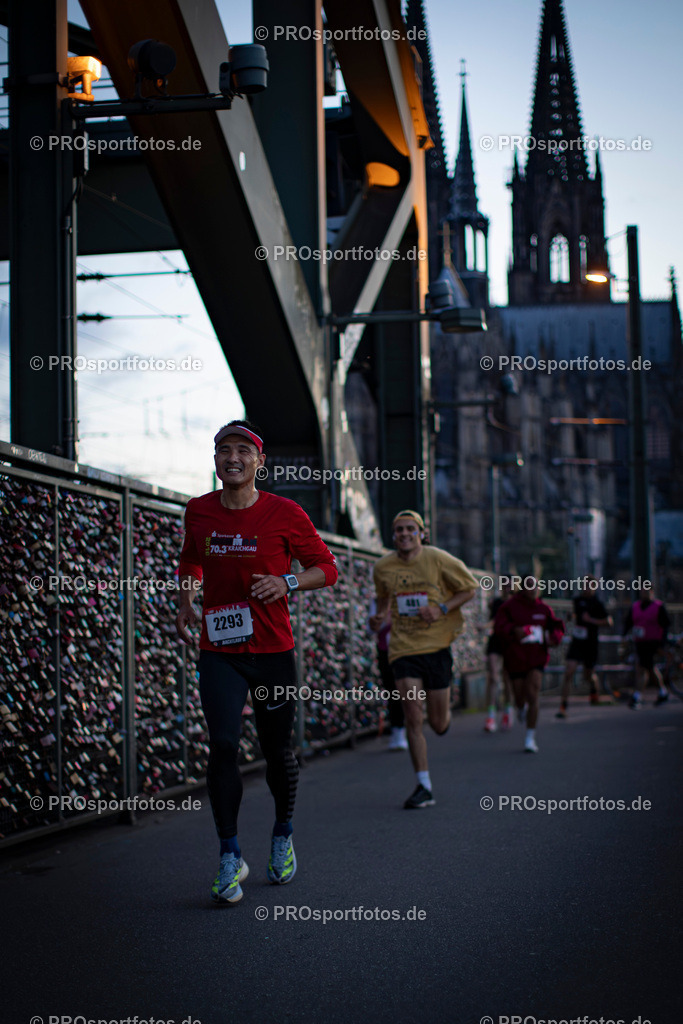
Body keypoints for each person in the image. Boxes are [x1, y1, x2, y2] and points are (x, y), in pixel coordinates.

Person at [176, 420, 338, 904]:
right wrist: (187, 599)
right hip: (220, 650)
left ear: (259, 462)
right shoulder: (198, 511)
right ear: (215, 461)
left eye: (243, 450)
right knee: (222, 744)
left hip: (272, 652)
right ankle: (230, 854)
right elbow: (190, 560)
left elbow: (326, 568)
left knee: (276, 750)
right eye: (223, 449)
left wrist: (287, 583)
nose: (233, 457)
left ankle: (282, 833)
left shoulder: (285, 513)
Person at [371, 510, 478, 808]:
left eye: (410, 529)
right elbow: (383, 597)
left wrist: (441, 609)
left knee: (440, 724)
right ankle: (423, 785)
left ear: (421, 533)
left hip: (437, 647)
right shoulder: (383, 567)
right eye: (399, 530)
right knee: (413, 717)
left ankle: (442, 711)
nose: (404, 534)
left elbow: (469, 589)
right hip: (403, 649)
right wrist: (378, 616)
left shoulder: (439, 558)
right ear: (393, 535)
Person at [494, 577, 564, 753]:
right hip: (515, 659)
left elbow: (557, 627)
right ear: (522, 588)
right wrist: (513, 630)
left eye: (535, 586)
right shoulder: (509, 607)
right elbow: (499, 627)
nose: (533, 589)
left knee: (533, 694)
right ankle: (520, 706)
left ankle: (530, 737)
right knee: (519, 696)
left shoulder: (544, 609)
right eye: (529, 586)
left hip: (536, 659)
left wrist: (554, 637)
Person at [556, 577, 612, 718]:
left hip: (590, 643)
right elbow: (576, 614)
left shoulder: (597, 603)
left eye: (589, 585)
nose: (586, 587)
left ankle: (594, 689)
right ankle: (563, 705)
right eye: (584, 585)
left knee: (588, 675)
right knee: (569, 671)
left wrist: (592, 620)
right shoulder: (577, 600)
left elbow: (609, 622)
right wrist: (571, 616)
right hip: (577, 641)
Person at [622, 589, 671, 708]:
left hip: (653, 642)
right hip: (640, 642)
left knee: (642, 667)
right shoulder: (636, 606)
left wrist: (662, 643)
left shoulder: (658, 606)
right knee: (649, 668)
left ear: (652, 592)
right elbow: (629, 622)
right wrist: (624, 636)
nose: (645, 594)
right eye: (643, 592)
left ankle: (637, 696)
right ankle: (662, 691)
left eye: (648, 592)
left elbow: (665, 625)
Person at [368, 603, 408, 750]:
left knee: (404, 690)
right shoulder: (377, 602)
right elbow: (370, 629)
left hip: (404, 650)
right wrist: (383, 621)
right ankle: (396, 730)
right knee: (392, 691)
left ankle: (404, 729)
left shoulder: (403, 596)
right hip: (386, 652)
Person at [483, 584, 514, 732]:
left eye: (509, 585)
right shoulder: (495, 602)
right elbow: (494, 620)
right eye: (504, 585)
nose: (506, 588)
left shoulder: (515, 603)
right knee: (493, 677)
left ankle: (508, 711)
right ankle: (490, 716)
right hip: (495, 641)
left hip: (509, 642)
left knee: (507, 679)